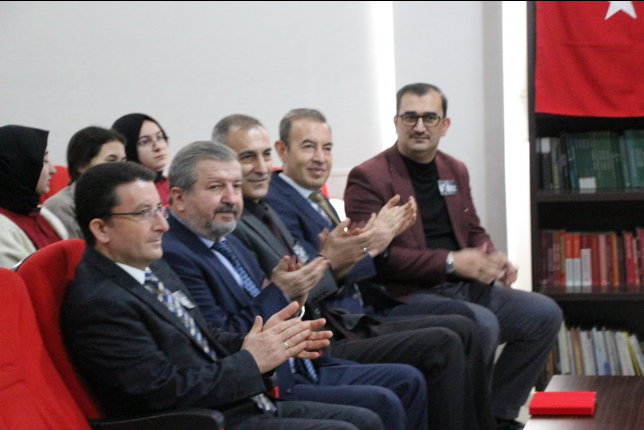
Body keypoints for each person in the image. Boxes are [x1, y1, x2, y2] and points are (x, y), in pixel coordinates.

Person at [217, 114, 496, 430]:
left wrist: (360, 247)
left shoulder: (271, 207)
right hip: (327, 330)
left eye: (326, 148)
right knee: (447, 339)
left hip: (347, 316)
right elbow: (305, 284)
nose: (260, 167)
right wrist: (363, 248)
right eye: (308, 147)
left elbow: (317, 270)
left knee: (463, 328)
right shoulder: (256, 211)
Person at [61, 160, 385, 430]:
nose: (162, 225)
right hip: (204, 420)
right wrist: (251, 361)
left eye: (159, 209)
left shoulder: (150, 266)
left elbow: (205, 337)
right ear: (101, 229)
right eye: (144, 213)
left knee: (367, 418)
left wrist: (270, 340)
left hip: (237, 404)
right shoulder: (101, 303)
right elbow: (162, 393)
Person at [161, 140, 428, 430]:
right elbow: (219, 339)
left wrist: (295, 300)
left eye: (236, 186)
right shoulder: (175, 254)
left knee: (407, 381)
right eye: (216, 187)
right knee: (379, 405)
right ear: (179, 198)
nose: (231, 198)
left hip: (299, 361)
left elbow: (271, 302)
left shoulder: (228, 240)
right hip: (263, 386)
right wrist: (284, 291)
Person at [343, 82, 564, 430]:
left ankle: (496, 415)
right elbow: (374, 260)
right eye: (410, 117)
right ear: (396, 122)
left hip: (462, 288)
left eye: (430, 118)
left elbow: (472, 229)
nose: (420, 126)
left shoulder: (454, 169)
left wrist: (490, 255)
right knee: (481, 324)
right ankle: (468, 422)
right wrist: (450, 262)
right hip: (401, 296)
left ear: (444, 125)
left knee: (543, 314)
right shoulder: (369, 177)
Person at [0, 125, 67, 268]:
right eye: (44, 160)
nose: (53, 170)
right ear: (18, 164)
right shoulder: (2, 229)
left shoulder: (40, 213)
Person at [43, 126, 127, 238]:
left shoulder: (124, 200)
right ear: (81, 165)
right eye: (111, 160)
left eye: (123, 161)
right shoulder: (60, 206)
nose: (121, 168)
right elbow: (76, 249)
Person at [112, 113, 170, 205]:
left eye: (159, 137)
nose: (158, 147)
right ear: (128, 149)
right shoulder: (122, 195)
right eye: (144, 142)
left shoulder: (176, 185)